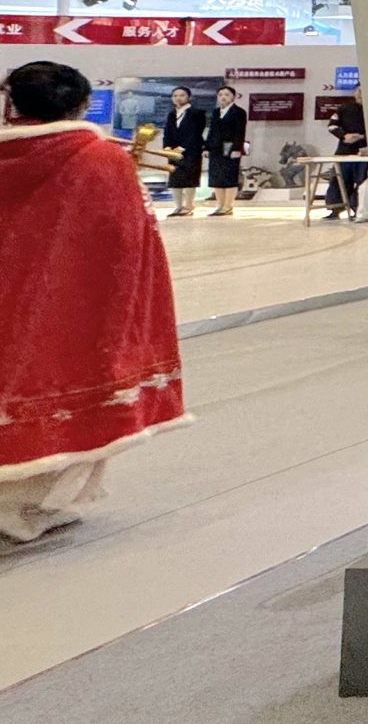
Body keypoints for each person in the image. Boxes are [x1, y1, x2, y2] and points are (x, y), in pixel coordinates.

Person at [0, 61, 187, 544]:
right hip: (71, 306)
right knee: (68, 397)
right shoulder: (99, 158)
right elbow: (127, 242)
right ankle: (29, 509)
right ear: (81, 104)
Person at [161, 85, 207, 218]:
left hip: (191, 151)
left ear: (189, 97)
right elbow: (167, 132)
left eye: (182, 95)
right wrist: (167, 147)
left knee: (189, 178)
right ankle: (178, 207)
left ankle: (189, 206)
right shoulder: (171, 114)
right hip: (173, 153)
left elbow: (195, 133)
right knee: (175, 179)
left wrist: (181, 148)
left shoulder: (197, 113)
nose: (178, 98)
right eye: (175, 96)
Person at [322, 86, 368, 221]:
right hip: (344, 151)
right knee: (338, 181)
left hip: (365, 152)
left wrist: (363, 136)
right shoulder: (345, 108)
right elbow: (332, 126)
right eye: (359, 91)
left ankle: (359, 210)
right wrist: (344, 136)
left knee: (362, 182)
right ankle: (334, 209)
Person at [204, 84, 247, 216]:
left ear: (233, 97)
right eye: (221, 95)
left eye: (227, 95)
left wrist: (237, 148)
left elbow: (240, 132)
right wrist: (206, 147)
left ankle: (228, 206)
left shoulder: (239, 112)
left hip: (230, 146)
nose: (223, 97)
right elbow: (211, 131)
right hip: (215, 147)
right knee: (216, 177)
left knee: (229, 176)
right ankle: (220, 205)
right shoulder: (216, 112)